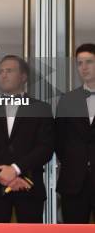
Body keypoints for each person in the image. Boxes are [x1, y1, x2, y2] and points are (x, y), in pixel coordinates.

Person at [0, 55, 54, 223]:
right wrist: (3, 173)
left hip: (29, 186)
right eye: (1, 71)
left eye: (9, 71)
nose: (3, 75)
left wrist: (16, 169)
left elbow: (46, 148)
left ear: (23, 76)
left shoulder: (41, 109)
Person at [55, 43, 95, 223]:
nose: (84, 67)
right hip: (73, 182)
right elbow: (58, 139)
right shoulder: (67, 100)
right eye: (79, 63)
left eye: (89, 62)